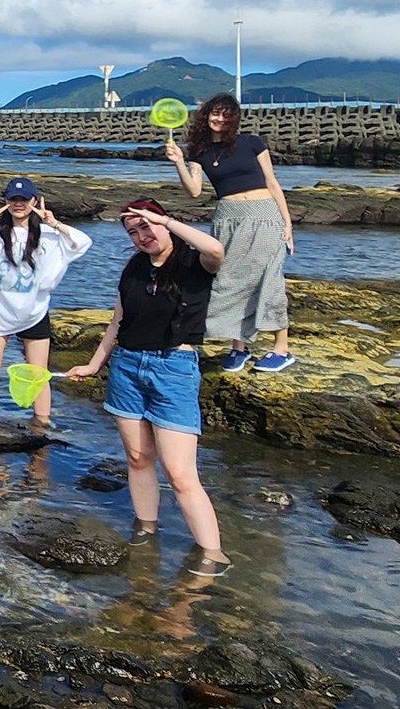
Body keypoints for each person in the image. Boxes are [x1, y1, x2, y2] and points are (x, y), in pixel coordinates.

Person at [66, 199, 231, 577]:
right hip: (126, 367)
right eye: (134, 231)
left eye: (147, 227)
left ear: (164, 223)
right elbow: (117, 322)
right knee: (139, 459)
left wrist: (167, 221)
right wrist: (94, 364)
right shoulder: (134, 268)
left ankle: (213, 552)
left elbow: (217, 249)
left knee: (179, 473)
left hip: (173, 368)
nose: (142, 236)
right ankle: (147, 526)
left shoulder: (193, 262)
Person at [164, 92, 295, 372]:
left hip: (264, 214)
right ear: (206, 114)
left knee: (268, 277)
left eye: (226, 114)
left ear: (234, 119)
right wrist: (178, 162)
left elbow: (272, 182)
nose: (220, 119)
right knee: (229, 279)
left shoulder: (251, 143)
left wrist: (287, 223)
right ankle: (239, 347)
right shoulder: (199, 152)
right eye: (215, 113)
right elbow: (194, 191)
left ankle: (281, 349)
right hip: (227, 218)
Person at [0, 177, 92, 425]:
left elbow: (82, 243)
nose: (19, 204)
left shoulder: (48, 235)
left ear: (34, 201)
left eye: (24, 199)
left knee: (38, 373)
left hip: (34, 313)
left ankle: (42, 423)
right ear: (5, 201)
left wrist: (55, 223)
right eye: (13, 199)